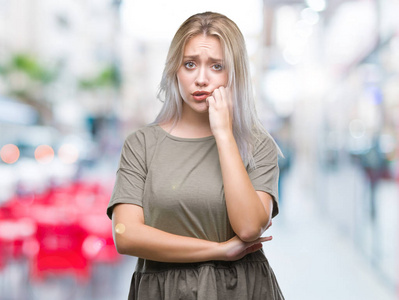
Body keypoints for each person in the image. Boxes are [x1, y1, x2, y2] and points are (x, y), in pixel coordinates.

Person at [107, 11, 284, 300]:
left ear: (234, 73)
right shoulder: (141, 144)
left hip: (241, 289)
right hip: (162, 290)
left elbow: (250, 227)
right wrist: (218, 251)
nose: (201, 79)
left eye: (216, 66)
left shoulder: (257, 144)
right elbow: (126, 235)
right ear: (175, 69)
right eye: (190, 64)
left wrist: (224, 134)